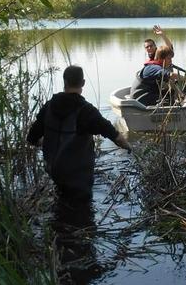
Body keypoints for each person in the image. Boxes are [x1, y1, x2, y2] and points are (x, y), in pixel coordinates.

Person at [27, 65, 131, 201]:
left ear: (65, 81)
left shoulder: (49, 106)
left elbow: (31, 138)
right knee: (83, 211)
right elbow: (115, 136)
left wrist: (49, 142)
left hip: (55, 170)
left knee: (62, 203)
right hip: (78, 176)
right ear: (82, 83)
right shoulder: (86, 111)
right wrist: (129, 147)